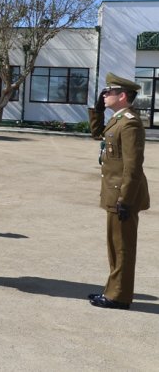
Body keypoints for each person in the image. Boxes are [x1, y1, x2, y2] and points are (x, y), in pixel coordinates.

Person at [87, 72, 150, 310]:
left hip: (123, 195)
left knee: (122, 247)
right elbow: (98, 135)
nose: (105, 95)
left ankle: (120, 297)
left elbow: (133, 167)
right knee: (115, 245)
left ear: (122, 96)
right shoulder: (119, 119)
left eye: (109, 92)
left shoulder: (130, 123)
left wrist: (125, 199)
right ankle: (112, 290)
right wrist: (97, 112)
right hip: (116, 194)